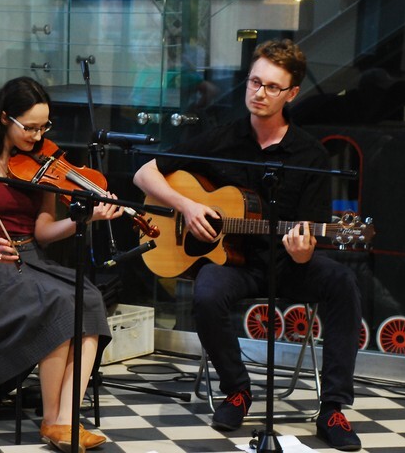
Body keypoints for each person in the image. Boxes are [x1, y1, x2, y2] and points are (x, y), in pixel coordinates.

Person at [133, 39, 363, 451]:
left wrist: (304, 251)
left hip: (289, 264)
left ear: (291, 94)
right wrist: (186, 206)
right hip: (235, 264)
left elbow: (310, 236)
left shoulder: (308, 155)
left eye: (272, 87)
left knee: (341, 282)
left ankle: (332, 408)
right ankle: (237, 391)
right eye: (254, 82)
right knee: (206, 291)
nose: (259, 93)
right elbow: (144, 174)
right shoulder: (221, 138)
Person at [0, 76, 122, 453]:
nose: (38, 135)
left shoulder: (43, 163)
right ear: (5, 118)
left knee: (87, 297)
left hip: (31, 260)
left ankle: (65, 420)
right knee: (57, 304)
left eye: (45, 127)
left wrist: (83, 219)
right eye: (31, 127)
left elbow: (42, 231)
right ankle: (52, 419)